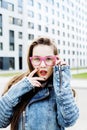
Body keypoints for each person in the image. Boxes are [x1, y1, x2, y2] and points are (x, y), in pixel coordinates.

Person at [0, 37, 79, 130]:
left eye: (48, 59)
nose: (42, 65)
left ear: (56, 60)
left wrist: (61, 77)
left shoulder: (60, 89)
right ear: (30, 60)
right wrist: (22, 88)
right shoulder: (17, 83)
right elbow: (1, 121)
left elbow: (68, 121)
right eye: (37, 59)